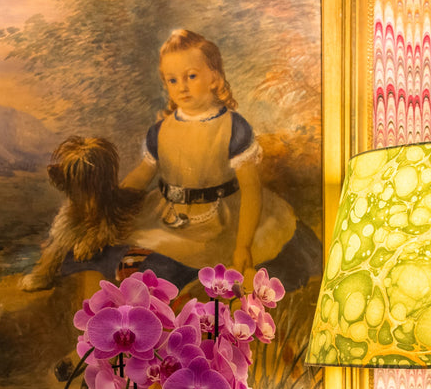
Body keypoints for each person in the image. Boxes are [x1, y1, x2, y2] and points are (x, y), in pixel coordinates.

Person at [119, 29, 320, 287]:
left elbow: (250, 190)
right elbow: (141, 175)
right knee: (135, 265)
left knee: (259, 269)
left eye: (191, 76)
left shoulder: (233, 127)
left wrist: (244, 245)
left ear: (214, 78)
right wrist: (113, 204)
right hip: (171, 216)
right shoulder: (160, 131)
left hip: (224, 217)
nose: (182, 86)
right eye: (172, 80)